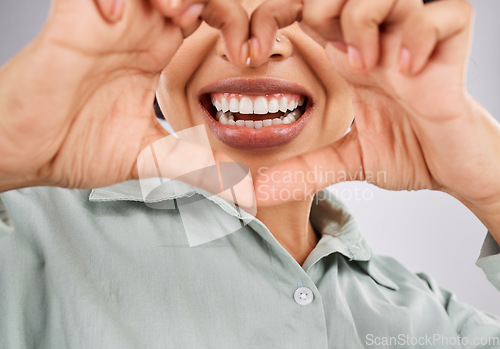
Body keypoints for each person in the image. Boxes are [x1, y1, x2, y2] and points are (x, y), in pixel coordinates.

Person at [0, 0, 499, 347]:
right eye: (206, 8)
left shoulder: (433, 319)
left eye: (304, 8)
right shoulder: (22, 234)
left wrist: (493, 188)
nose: (255, 49)